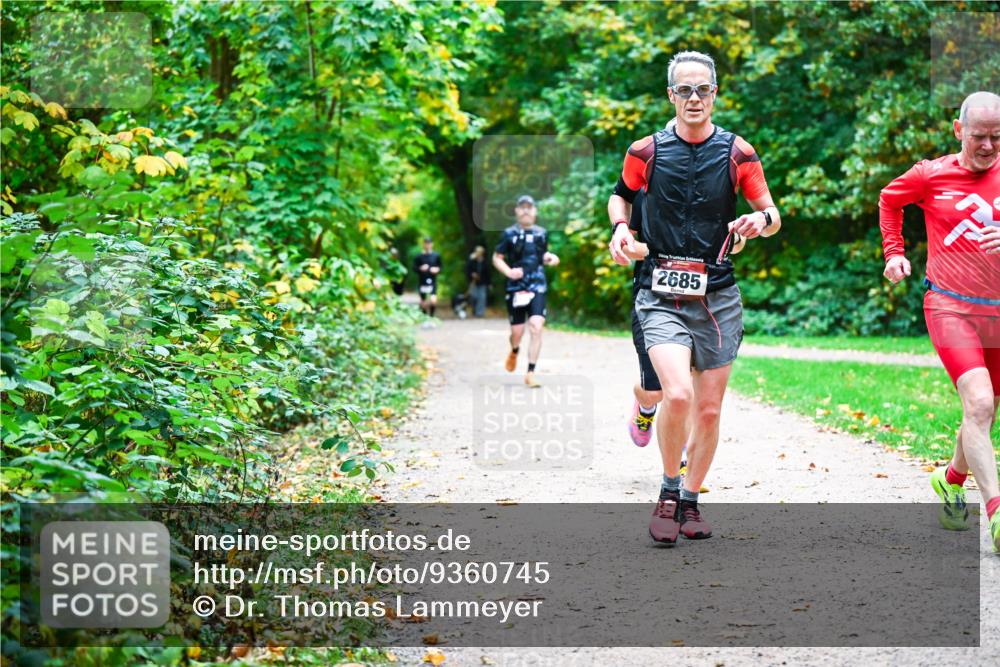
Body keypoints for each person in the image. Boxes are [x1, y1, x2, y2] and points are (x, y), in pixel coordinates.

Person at [608, 51, 780, 545]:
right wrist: (621, 227)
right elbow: (620, 195)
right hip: (659, 290)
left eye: (702, 89)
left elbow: (772, 214)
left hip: (718, 295)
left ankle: (691, 499)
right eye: (684, 90)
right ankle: (666, 492)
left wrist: (757, 222)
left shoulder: (737, 153)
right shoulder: (647, 151)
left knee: (707, 410)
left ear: (715, 94)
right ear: (671, 96)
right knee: (677, 394)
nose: (693, 99)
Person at [878, 91, 1000, 552]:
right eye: (979, 137)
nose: (988, 147)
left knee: (983, 411)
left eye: (996, 137)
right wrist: (894, 254)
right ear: (958, 130)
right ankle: (995, 512)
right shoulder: (931, 174)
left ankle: (951, 480)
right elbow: (889, 200)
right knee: (981, 404)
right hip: (950, 306)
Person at [493, 195, 560, 388]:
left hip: (537, 284)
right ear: (516, 211)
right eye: (522, 207)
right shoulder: (508, 234)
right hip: (516, 287)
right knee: (517, 332)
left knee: (536, 326)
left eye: (529, 207)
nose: (526, 210)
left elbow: (542, 255)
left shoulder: (541, 233)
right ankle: (514, 350)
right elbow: (497, 257)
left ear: (535, 211)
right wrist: (508, 272)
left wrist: (551, 257)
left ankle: (530, 372)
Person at [414, 237, 442, 318]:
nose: (427, 245)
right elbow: (414, 268)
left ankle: (431, 317)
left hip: (433, 281)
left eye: (429, 243)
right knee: (423, 302)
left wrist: (437, 269)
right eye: (426, 243)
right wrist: (420, 268)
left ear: (432, 244)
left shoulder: (436, 255)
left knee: (433, 300)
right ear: (423, 244)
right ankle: (425, 318)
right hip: (422, 281)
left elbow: (440, 267)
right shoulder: (419, 256)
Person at [466, 245, 490, 318]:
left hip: (482, 282)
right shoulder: (472, 261)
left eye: (479, 252)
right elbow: (467, 270)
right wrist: (472, 274)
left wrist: (489, 283)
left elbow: (488, 273)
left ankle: (479, 313)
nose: (478, 253)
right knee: (474, 296)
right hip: (473, 282)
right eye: (477, 251)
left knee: (482, 297)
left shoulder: (484, 262)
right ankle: (474, 310)